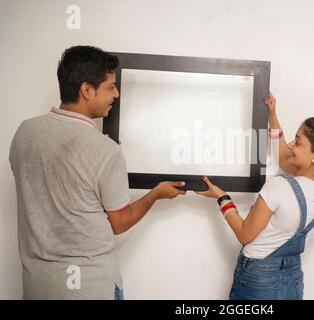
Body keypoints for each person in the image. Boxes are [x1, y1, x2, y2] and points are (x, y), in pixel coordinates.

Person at [9, 46, 186, 300]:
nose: (116, 93)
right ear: (87, 90)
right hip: (90, 289)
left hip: (38, 287)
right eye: (110, 86)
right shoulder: (105, 151)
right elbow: (119, 222)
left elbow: (48, 188)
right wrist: (154, 195)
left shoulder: (24, 133)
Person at [196, 92, 314, 299]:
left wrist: (222, 198)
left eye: (298, 142)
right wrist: (272, 115)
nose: (291, 144)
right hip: (292, 280)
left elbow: (245, 234)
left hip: (259, 281)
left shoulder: (279, 187)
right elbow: (284, 157)